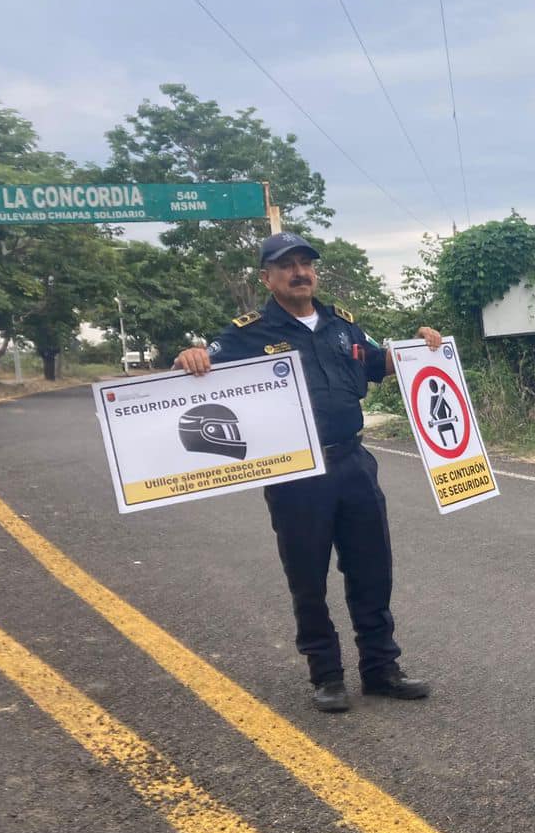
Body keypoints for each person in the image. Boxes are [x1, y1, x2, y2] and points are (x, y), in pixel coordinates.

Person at [174, 232, 443, 714]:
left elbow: (382, 364)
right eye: (287, 266)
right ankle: (327, 675)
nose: (300, 272)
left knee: (372, 569)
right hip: (295, 471)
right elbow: (201, 373)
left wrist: (421, 347)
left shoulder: (343, 325)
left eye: (306, 264)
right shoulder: (246, 333)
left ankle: (381, 669)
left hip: (354, 463)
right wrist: (191, 358)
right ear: (267, 278)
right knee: (308, 576)